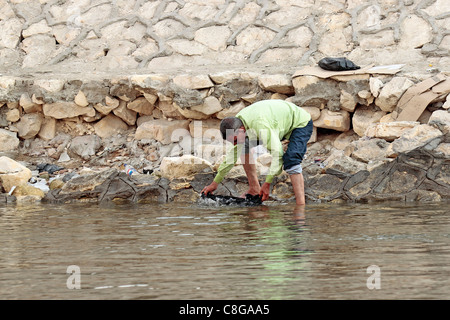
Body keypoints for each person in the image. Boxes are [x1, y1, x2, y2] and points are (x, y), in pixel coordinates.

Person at [201, 99, 313, 205]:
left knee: (291, 160)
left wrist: (267, 183)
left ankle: (300, 205)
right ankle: (254, 188)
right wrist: (214, 183)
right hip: (276, 125)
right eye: (232, 142)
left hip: (299, 123)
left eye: (235, 140)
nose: (234, 144)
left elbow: (277, 154)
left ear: (242, 130)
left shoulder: (260, 125)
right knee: (243, 146)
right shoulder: (237, 124)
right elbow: (231, 158)